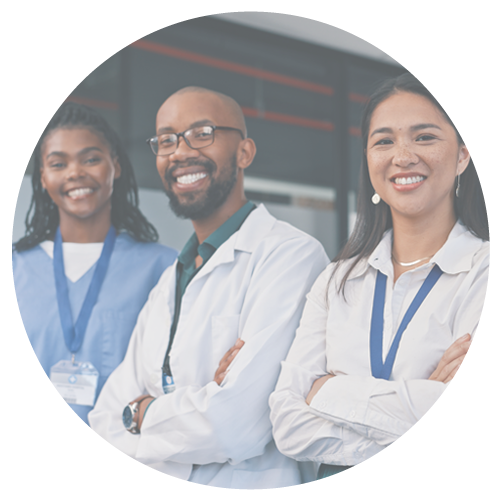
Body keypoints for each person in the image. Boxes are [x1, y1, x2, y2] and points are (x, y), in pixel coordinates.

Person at [88, 86, 329, 489]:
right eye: (166, 140)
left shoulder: (291, 256)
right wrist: (192, 403)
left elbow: (237, 423)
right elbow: (103, 421)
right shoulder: (171, 278)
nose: (180, 152)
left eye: (202, 133)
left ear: (245, 152)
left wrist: (145, 413)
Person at [268, 73, 489, 479]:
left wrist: (329, 392)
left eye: (424, 137)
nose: (402, 156)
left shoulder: (484, 271)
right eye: (384, 141)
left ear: (462, 156)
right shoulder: (336, 281)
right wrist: (422, 407)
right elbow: (287, 426)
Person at [13, 102, 178, 426]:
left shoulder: (163, 268)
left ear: (114, 166)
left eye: (91, 159)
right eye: (58, 163)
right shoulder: (14, 269)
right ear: (43, 178)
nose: (76, 172)